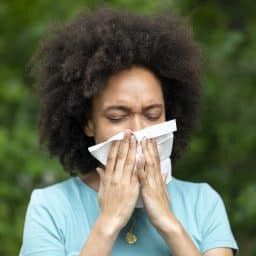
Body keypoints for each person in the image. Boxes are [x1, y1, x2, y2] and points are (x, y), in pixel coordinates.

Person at [19, 8, 238, 256]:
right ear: (88, 122)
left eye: (152, 114)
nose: (138, 130)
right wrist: (108, 224)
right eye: (117, 116)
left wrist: (168, 223)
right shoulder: (50, 207)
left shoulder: (203, 203)